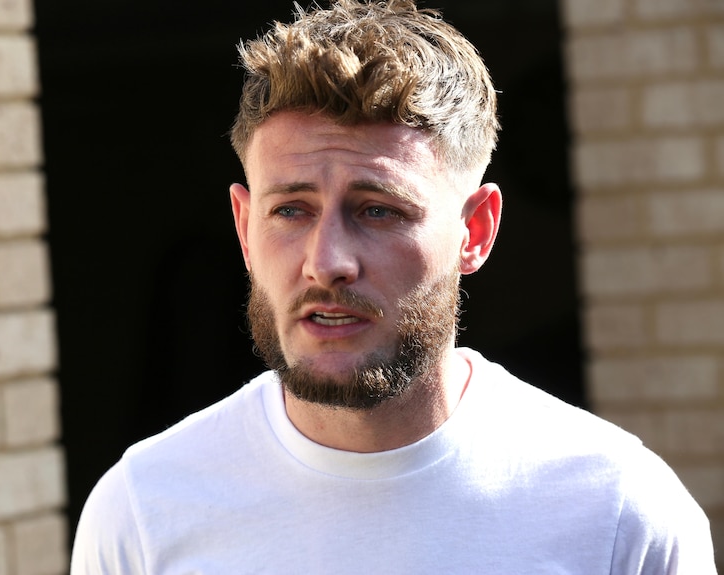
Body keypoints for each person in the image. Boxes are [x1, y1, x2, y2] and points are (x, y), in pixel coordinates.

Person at [70, 1, 717, 573]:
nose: (326, 262)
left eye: (377, 209)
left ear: (476, 230)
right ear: (244, 226)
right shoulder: (142, 512)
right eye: (290, 210)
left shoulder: (619, 513)